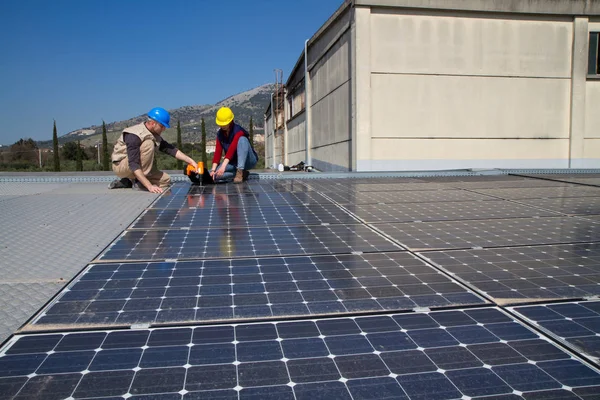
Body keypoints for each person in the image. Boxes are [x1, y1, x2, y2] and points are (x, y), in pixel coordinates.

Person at [108, 107, 198, 194]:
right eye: (162, 126)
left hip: (136, 168)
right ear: (152, 123)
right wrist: (149, 186)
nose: (164, 129)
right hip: (122, 166)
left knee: (165, 180)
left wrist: (191, 161)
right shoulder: (134, 135)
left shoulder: (154, 135)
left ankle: (128, 182)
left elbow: (171, 150)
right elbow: (133, 164)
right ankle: (139, 182)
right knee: (148, 144)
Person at [210, 107, 258, 184]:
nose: (223, 126)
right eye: (221, 124)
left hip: (248, 161)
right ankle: (241, 174)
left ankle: (240, 171)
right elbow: (218, 153)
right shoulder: (220, 134)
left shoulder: (239, 131)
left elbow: (232, 149)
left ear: (230, 121)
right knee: (215, 174)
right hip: (233, 163)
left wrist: (223, 166)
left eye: (225, 124)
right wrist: (213, 170)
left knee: (242, 139)